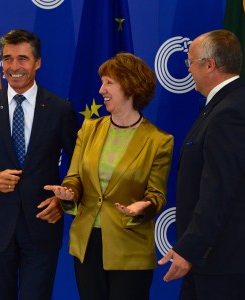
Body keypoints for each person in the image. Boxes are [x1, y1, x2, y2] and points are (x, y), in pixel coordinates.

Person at [0, 29, 79, 299]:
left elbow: (79, 164)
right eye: (7, 59)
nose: (14, 67)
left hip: (42, 225)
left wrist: (63, 200)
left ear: (37, 63)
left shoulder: (60, 109)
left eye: (22, 59)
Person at [158, 29, 245, 300]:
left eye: (191, 62)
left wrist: (189, 248)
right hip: (211, 257)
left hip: (223, 258)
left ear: (210, 65)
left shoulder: (231, 111)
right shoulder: (225, 105)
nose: (188, 70)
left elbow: (218, 192)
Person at [45, 52, 174, 300]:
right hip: (88, 243)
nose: (101, 89)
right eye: (102, 82)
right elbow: (75, 177)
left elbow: (157, 195)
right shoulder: (89, 129)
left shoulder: (159, 141)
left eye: (109, 83)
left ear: (130, 86)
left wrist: (143, 206)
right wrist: (68, 193)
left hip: (129, 247)